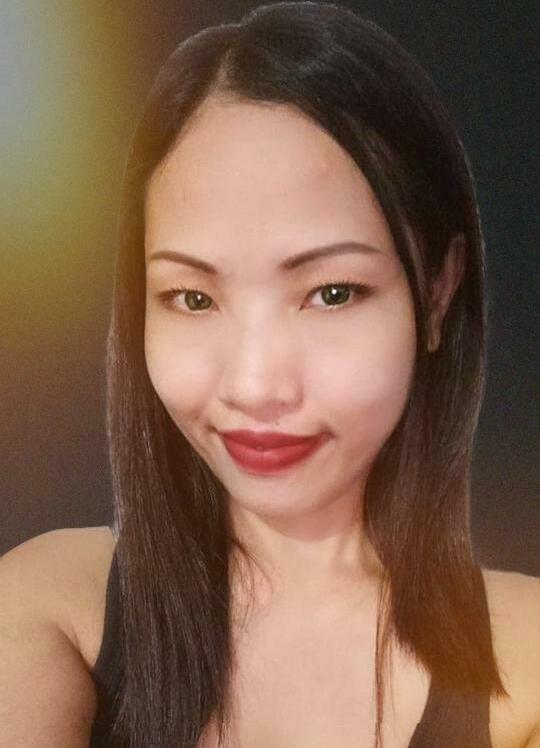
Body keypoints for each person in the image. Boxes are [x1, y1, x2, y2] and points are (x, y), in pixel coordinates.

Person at [0, 2, 538, 746]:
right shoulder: (51, 605)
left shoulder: (525, 659)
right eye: (192, 298)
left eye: (332, 293)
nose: (254, 386)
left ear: (438, 292)